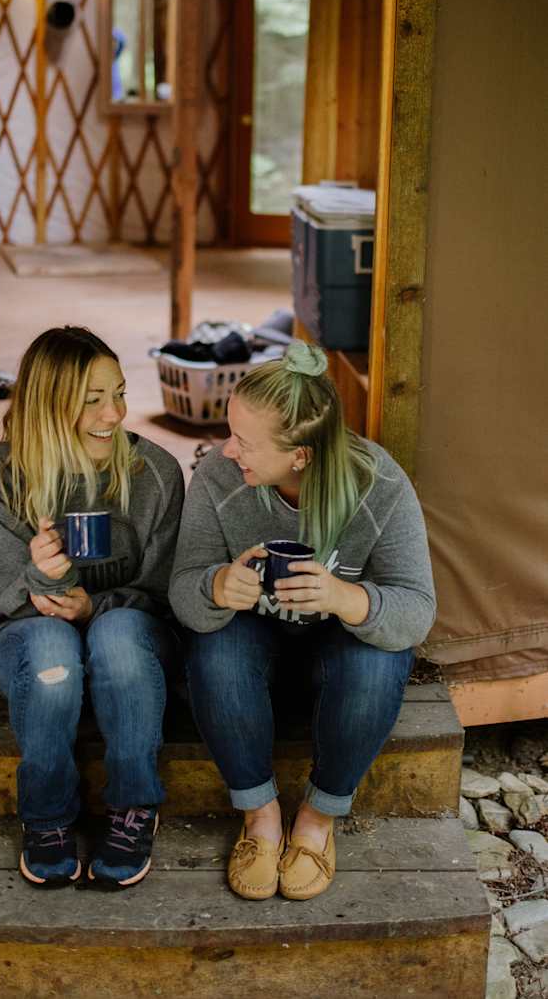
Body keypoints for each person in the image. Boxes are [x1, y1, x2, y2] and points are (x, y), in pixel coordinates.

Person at [169, 340, 435, 903]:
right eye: (230, 432)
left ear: (301, 456)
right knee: (214, 649)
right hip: (253, 643)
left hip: (337, 654)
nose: (226, 451)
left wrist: (344, 598)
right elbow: (183, 595)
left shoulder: (380, 486)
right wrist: (217, 585)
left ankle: (317, 819)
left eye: (244, 441)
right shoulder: (218, 478)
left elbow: (415, 611)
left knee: (377, 662)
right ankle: (260, 816)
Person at [0, 326, 184, 891]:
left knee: (116, 634)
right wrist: (42, 573)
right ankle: (46, 817)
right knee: (51, 647)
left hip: (131, 643)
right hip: (28, 641)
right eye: (92, 400)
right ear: (48, 403)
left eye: (119, 393)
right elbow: (3, 595)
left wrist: (94, 607)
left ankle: (134, 806)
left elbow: (164, 593)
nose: (114, 414)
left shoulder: (157, 472)